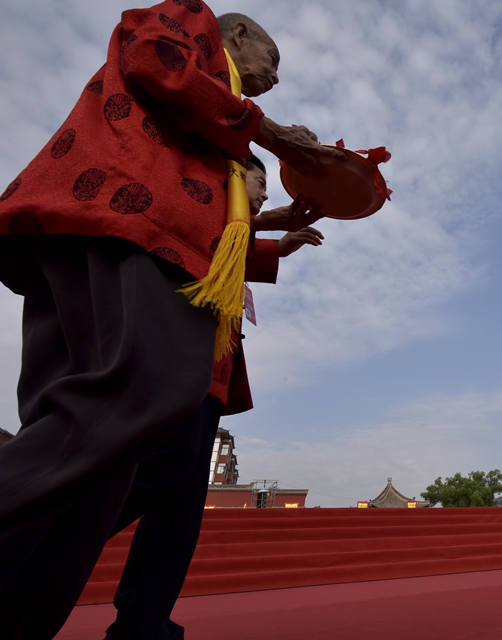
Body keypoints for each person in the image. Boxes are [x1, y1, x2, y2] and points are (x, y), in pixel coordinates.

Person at [0, 2, 342, 637]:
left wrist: (271, 227)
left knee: (105, 456)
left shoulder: (213, 124)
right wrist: (271, 134)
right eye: (272, 60)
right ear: (238, 34)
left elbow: (212, 224)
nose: (275, 78)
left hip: (107, 232)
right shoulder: (192, 21)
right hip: (113, 213)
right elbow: (153, 62)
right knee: (147, 392)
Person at [103, 155, 323, 639]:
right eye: (259, 181)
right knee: (157, 469)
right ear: (232, 177)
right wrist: (272, 228)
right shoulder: (193, 199)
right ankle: (40, 529)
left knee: (179, 508)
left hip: (210, 377)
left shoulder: (233, 232)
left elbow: (230, 244)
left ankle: (144, 621)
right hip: (175, 364)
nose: (265, 193)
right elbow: (207, 233)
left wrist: (277, 242)